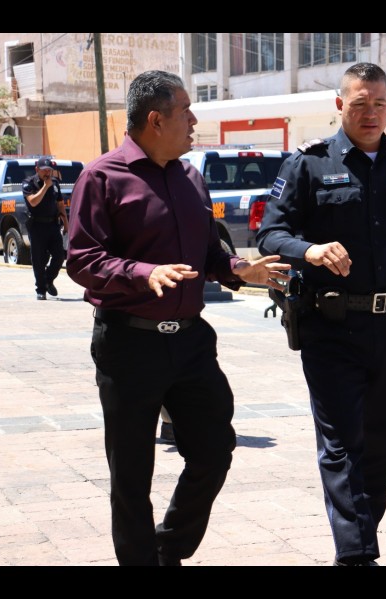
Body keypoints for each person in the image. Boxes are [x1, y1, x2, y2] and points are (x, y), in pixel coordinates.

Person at [66, 70, 290, 566]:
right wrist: (144, 273)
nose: (193, 120)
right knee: (131, 474)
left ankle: (168, 548)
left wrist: (240, 269)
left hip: (190, 344)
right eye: (185, 111)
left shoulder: (191, 177)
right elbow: (82, 259)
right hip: (129, 344)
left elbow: (210, 254)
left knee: (214, 449)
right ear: (155, 119)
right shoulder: (102, 177)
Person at [257, 62, 386, 566]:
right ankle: (358, 556)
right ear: (340, 105)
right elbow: (270, 234)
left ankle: (357, 544)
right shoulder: (308, 165)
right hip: (329, 327)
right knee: (341, 444)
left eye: (379, 103)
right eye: (359, 103)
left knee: (378, 447)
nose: (370, 113)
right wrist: (309, 251)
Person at [22, 157, 68, 300]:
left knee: (60, 256)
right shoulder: (29, 183)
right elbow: (33, 202)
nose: (47, 173)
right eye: (44, 170)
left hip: (53, 224)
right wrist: (45, 187)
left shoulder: (54, 183)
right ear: (37, 169)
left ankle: (48, 280)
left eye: (49, 170)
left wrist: (66, 223)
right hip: (37, 226)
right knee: (39, 259)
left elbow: (60, 204)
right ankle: (41, 289)